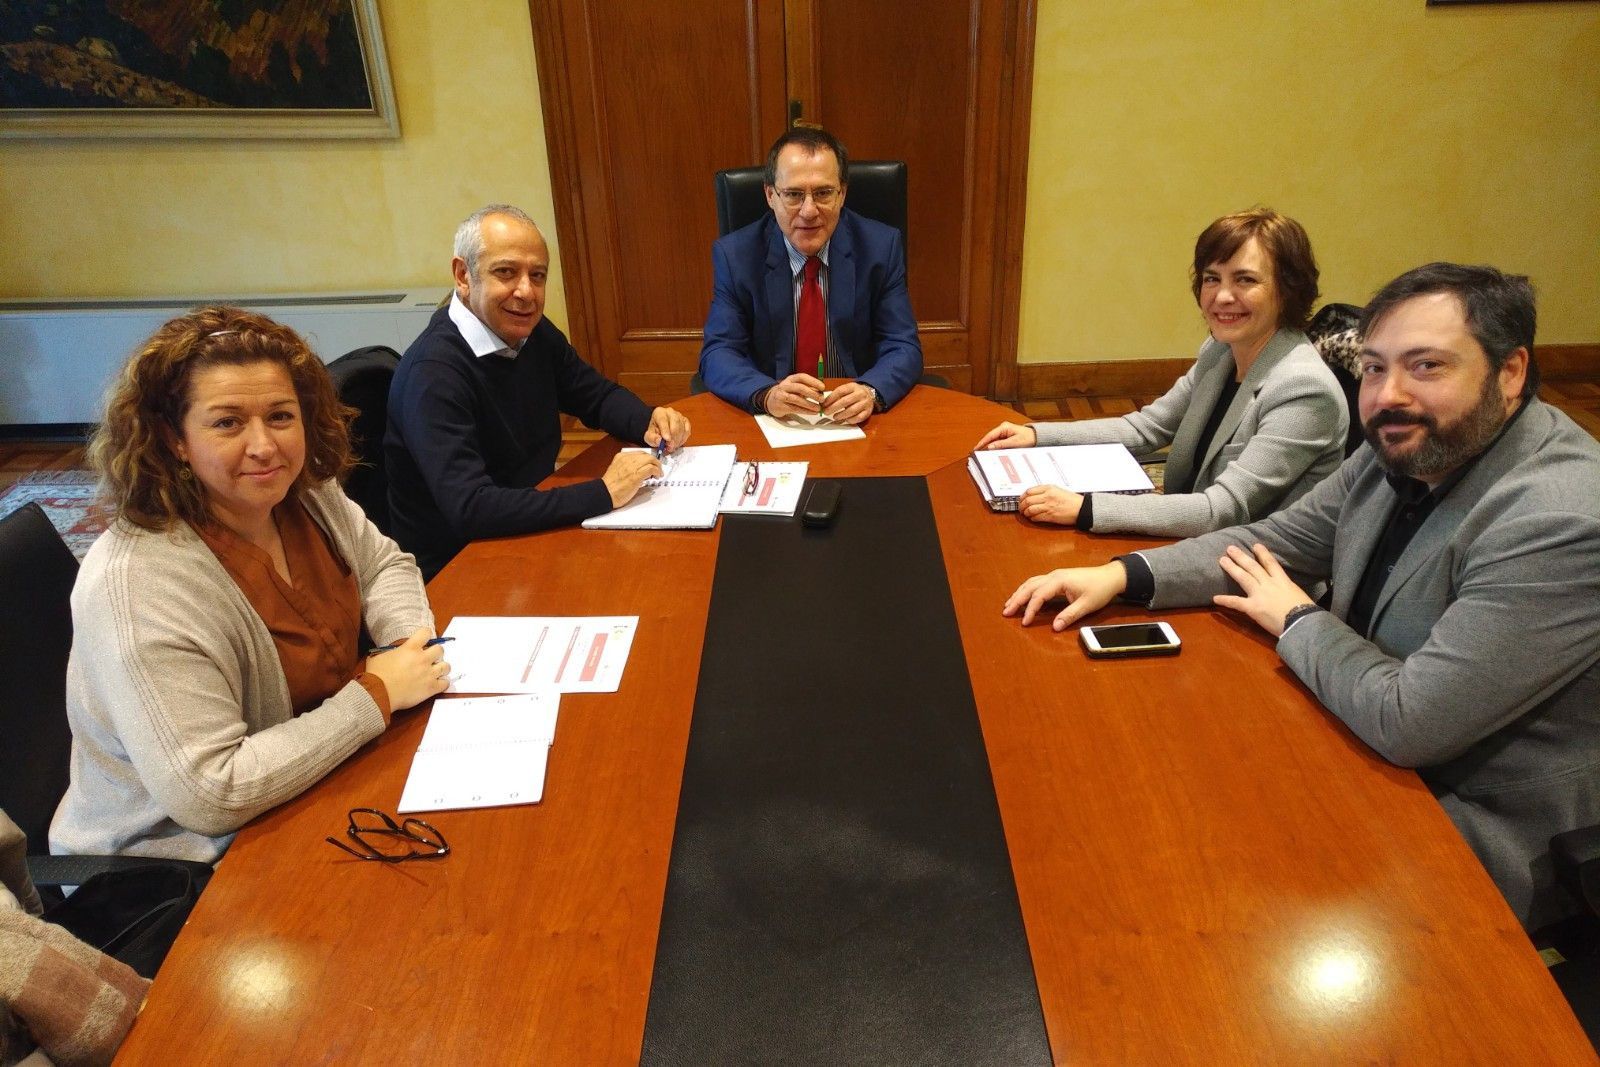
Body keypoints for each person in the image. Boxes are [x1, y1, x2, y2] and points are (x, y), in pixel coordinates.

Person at [1003, 263, 1600, 932]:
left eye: (1426, 365)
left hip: (1473, 822)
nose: (1387, 394)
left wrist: (1294, 616)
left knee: (1207, 897)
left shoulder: (1561, 519)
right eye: (1373, 369)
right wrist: (1125, 575)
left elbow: (1411, 722)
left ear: (1511, 372)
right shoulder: (1406, 442)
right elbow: (1278, 540)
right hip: (1351, 733)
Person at [50, 308, 450, 863]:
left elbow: (384, 565)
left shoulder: (305, 494)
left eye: (281, 416)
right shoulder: (139, 587)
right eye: (228, 422)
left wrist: (406, 647)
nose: (265, 446)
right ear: (174, 439)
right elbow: (214, 791)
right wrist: (375, 696)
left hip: (317, 776)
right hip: (186, 864)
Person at [976, 208, 1347, 537]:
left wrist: (1086, 508)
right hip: (1193, 535)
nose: (1220, 296)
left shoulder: (1304, 390)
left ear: (1288, 290)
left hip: (1256, 566)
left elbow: (1222, 510)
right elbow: (1146, 429)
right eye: (1212, 278)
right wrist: (1036, 435)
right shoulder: (1221, 351)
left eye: (1245, 280)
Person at [387, 204, 692, 579]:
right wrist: (603, 492)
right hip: (461, 567)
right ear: (463, 275)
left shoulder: (528, 332)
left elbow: (593, 396)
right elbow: (472, 508)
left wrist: (648, 419)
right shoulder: (432, 375)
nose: (526, 292)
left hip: (529, 526)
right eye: (506, 272)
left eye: (538, 275)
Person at [699, 126, 923, 423]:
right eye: (793, 194)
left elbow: (903, 345)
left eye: (823, 193)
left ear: (842, 194)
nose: (808, 210)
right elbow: (719, 352)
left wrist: (870, 390)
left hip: (855, 419)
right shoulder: (736, 256)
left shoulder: (880, 248)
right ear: (770, 195)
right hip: (775, 419)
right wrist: (766, 394)